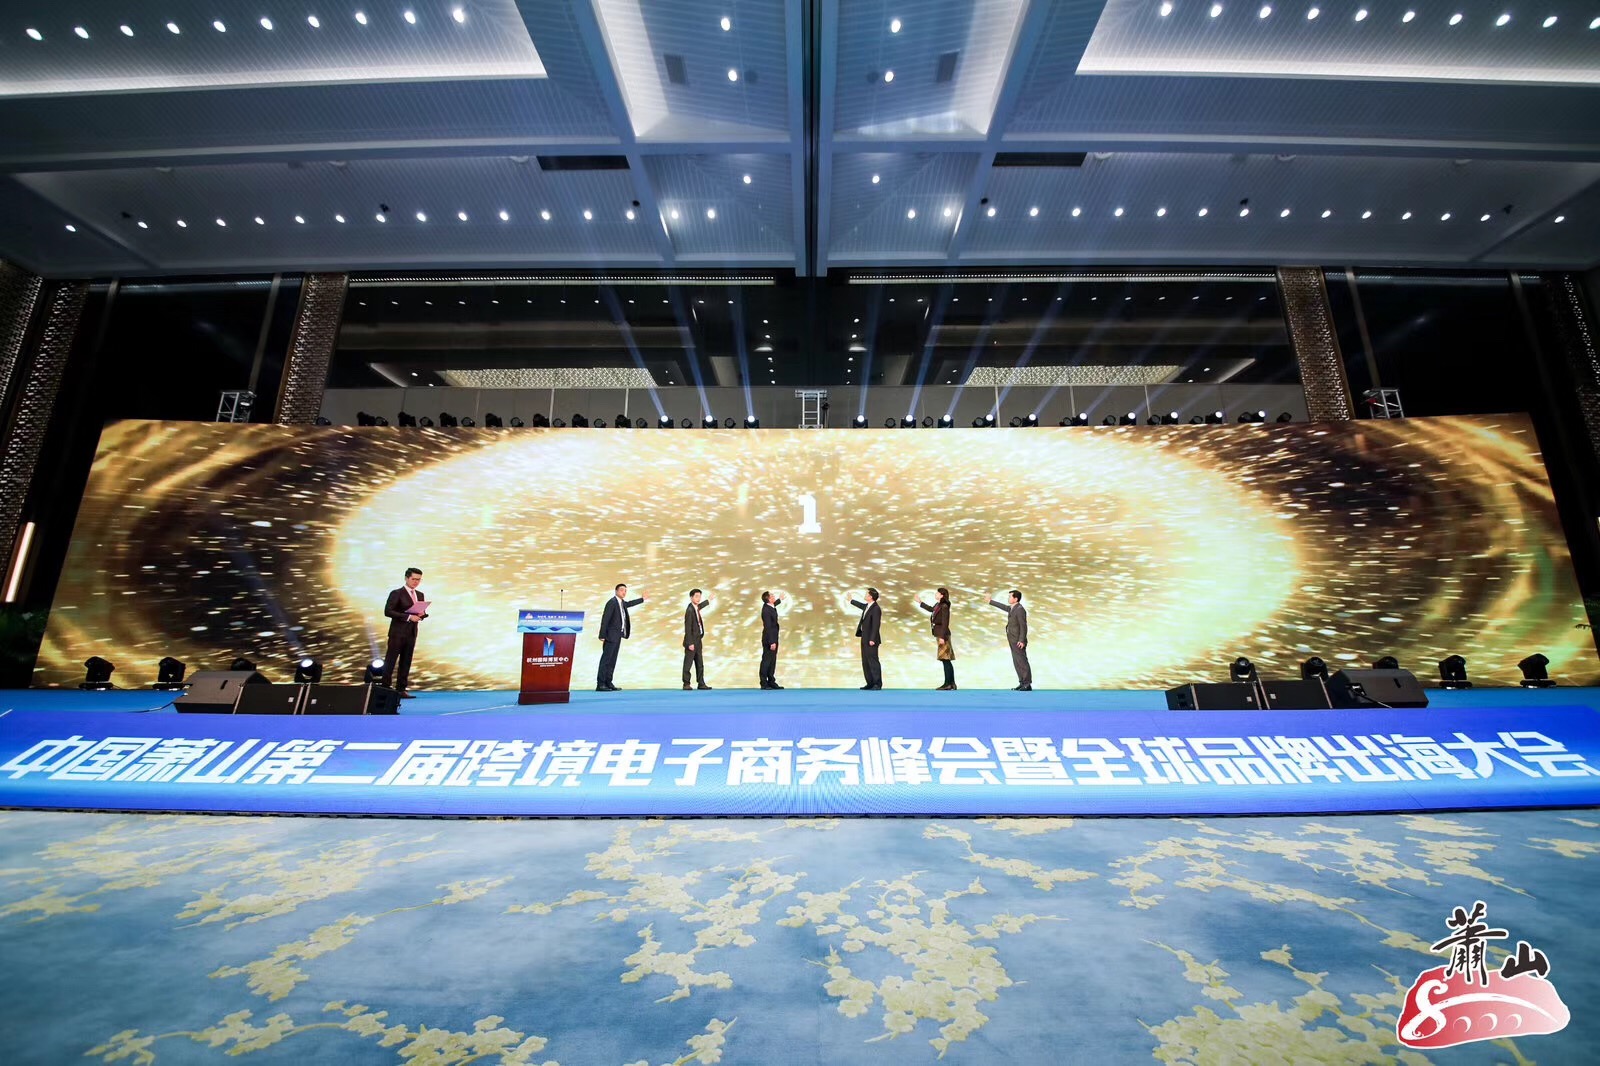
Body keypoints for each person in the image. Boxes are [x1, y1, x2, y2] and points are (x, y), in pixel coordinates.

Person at [382, 567, 427, 698]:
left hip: (411, 632)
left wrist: (422, 615)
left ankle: (401, 689)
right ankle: (385, 688)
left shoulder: (420, 595)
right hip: (397, 632)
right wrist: (408, 617)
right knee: (391, 660)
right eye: (413, 579)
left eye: (419, 580)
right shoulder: (397, 593)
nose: (416, 582)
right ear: (406, 578)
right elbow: (388, 611)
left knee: (406, 661)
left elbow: (419, 613)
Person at [597, 583, 646, 691]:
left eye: (625, 591)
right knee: (606, 660)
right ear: (616, 591)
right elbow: (605, 619)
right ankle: (601, 684)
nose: (624, 592)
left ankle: (608, 682)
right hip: (610, 636)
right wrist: (602, 635)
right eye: (622, 590)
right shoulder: (612, 602)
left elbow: (629, 603)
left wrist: (642, 599)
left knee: (612, 660)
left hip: (618, 635)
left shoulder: (621, 603)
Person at [987, 590, 1031, 690]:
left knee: (1022, 661)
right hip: (1013, 639)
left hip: (1018, 640)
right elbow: (1004, 607)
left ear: (1015, 599)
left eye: (1010, 596)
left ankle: (1027, 683)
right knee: (1017, 662)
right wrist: (990, 601)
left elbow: (1023, 626)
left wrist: (1021, 640)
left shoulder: (1020, 609)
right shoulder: (1013, 608)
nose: (1008, 598)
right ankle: (1022, 682)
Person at [918, 587, 956, 690]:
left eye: (937, 593)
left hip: (943, 635)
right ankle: (950, 683)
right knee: (945, 659)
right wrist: (920, 602)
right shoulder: (938, 605)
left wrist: (942, 637)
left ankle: (949, 683)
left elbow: (945, 622)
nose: (935, 594)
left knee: (945, 659)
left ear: (942, 595)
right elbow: (932, 610)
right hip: (939, 634)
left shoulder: (944, 606)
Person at [849, 588, 883, 690]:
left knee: (873, 661)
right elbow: (860, 605)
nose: (864, 595)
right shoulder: (867, 606)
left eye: (866, 594)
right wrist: (851, 600)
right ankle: (870, 683)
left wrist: (872, 639)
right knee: (865, 661)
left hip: (871, 639)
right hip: (864, 637)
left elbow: (876, 625)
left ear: (870, 597)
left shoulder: (876, 608)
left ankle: (877, 684)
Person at [682, 589, 713, 690]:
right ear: (691, 597)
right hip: (691, 641)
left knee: (699, 663)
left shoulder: (696, 607)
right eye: (696, 596)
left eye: (699, 596)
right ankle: (686, 683)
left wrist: (708, 600)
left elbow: (700, 606)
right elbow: (687, 628)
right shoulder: (689, 610)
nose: (698, 598)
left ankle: (701, 683)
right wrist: (690, 643)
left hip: (698, 639)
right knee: (688, 663)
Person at [759, 591, 784, 689]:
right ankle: (764, 683)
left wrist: (780, 599)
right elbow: (768, 627)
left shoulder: (770, 606)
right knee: (766, 660)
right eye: (772, 596)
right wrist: (771, 642)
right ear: (768, 599)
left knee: (772, 660)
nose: (774, 596)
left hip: (774, 637)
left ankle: (771, 681)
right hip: (769, 639)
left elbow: (774, 605)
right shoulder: (766, 610)